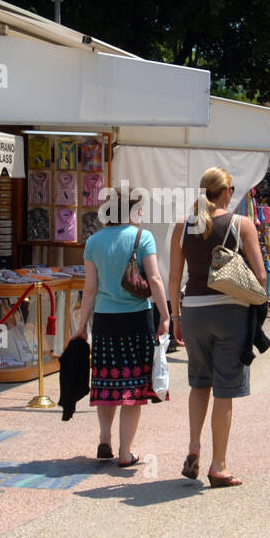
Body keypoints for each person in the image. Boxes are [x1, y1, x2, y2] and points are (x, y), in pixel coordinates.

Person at [169, 166, 267, 487]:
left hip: (193, 311)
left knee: (200, 383)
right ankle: (218, 466)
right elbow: (261, 275)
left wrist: (176, 317)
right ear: (226, 191)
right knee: (224, 389)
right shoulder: (241, 224)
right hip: (230, 313)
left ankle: (194, 447)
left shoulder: (183, 226)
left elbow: (174, 279)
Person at [69, 189, 171, 467]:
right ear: (128, 212)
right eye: (138, 210)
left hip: (104, 320)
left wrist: (82, 326)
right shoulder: (142, 237)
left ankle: (105, 439)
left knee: (106, 381)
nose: (140, 214)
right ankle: (125, 453)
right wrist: (165, 315)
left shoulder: (93, 241)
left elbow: (90, 289)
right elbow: (155, 279)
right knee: (134, 388)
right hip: (137, 319)